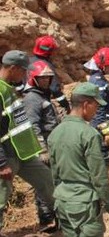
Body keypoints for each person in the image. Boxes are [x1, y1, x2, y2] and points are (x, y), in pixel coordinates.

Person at [48, 82, 109, 236]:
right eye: (96, 106)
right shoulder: (89, 134)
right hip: (84, 205)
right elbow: (99, 177)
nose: (96, 111)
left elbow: (54, 173)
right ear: (86, 104)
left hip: (62, 202)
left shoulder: (55, 133)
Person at [0, 50, 55, 232]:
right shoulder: (0, 91)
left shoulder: (8, 88)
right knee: (1, 197)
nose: (25, 75)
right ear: (13, 68)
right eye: (23, 71)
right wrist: (1, 164)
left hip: (24, 153)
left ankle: (68, 219)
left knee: (48, 182)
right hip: (7, 156)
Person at [21, 60, 58, 228]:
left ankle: (54, 215)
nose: (45, 81)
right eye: (42, 78)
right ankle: (46, 218)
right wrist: (41, 150)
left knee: (52, 181)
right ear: (33, 79)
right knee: (44, 183)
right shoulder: (32, 98)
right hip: (44, 145)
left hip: (52, 143)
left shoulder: (43, 95)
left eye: (48, 78)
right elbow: (32, 126)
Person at [84, 47, 109, 166]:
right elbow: (98, 109)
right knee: (103, 155)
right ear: (102, 65)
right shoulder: (98, 82)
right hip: (101, 125)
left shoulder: (98, 79)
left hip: (102, 123)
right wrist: (106, 130)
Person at [29, 35, 71, 114]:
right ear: (50, 51)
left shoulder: (28, 61)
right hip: (41, 103)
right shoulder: (46, 66)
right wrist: (66, 105)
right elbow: (55, 89)